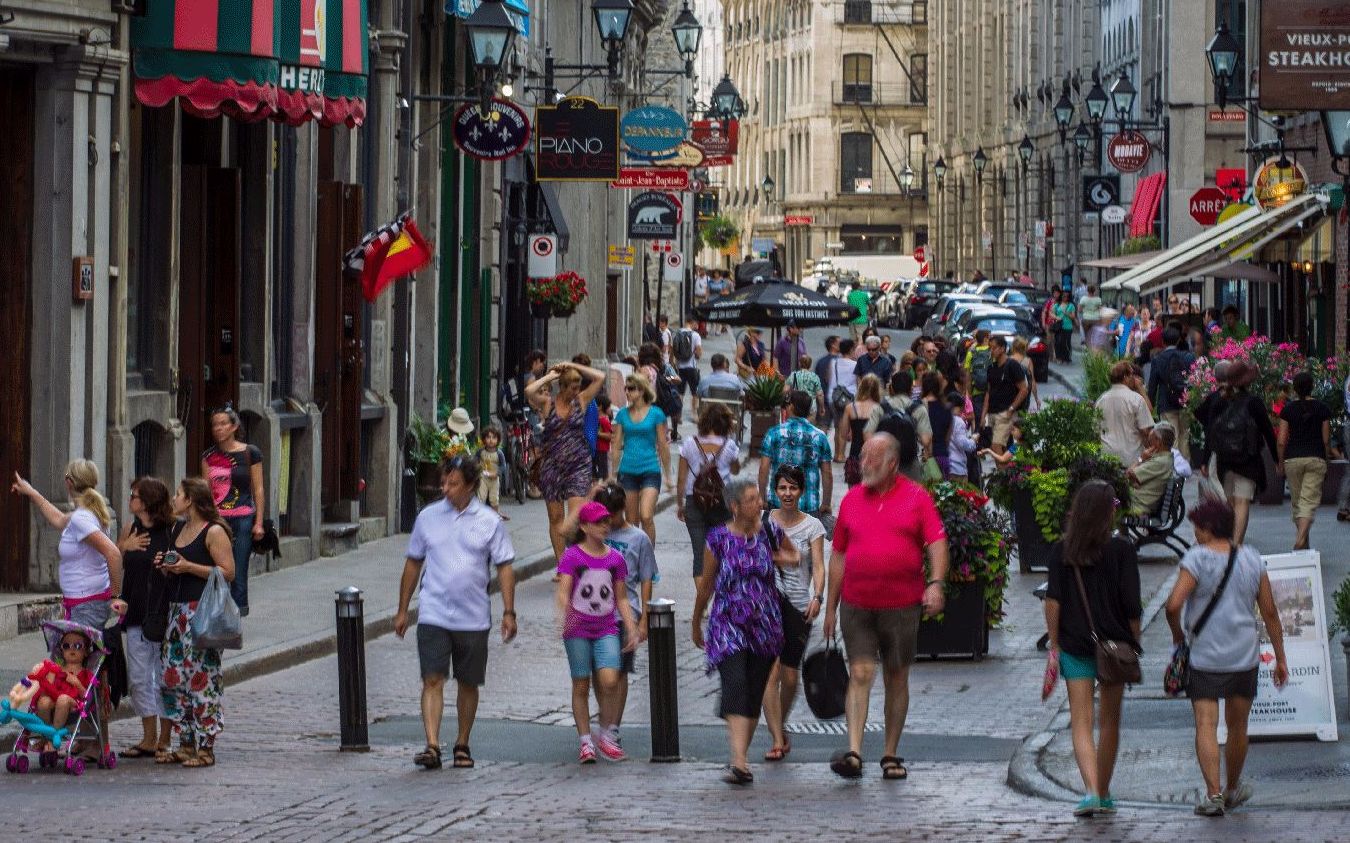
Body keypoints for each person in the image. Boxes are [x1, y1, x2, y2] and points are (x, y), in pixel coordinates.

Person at [823, 433, 948, 780]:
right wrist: (830, 607)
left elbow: (937, 542)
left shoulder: (917, 498)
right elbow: (838, 555)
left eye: (872, 460)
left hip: (902, 605)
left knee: (896, 676)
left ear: (892, 464)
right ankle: (854, 752)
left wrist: (936, 584)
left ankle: (890, 753)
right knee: (861, 672)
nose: (863, 465)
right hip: (857, 604)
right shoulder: (851, 500)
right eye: (862, 458)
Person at [1163, 499, 1289, 817]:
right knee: (1238, 726)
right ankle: (1232, 789)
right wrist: (1280, 657)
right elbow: (1270, 612)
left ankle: (1213, 794)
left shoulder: (1197, 559)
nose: (1194, 533)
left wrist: (1178, 635)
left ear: (1208, 528)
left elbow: (1173, 604)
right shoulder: (1251, 558)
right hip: (1244, 656)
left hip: (1205, 656)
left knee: (1206, 723)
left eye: (1197, 527)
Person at [395, 455, 517, 771]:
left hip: (473, 616)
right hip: (434, 611)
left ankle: (462, 743)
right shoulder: (428, 517)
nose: (446, 489)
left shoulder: (489, 521)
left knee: (467, 682)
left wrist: (509, 611)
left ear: (472, 485)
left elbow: (504, 566)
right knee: (432, 678)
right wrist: (403, 609)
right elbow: (413, 562)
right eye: (443, 483)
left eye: (453, 484)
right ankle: (433, 745)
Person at [1042, 480, 1141, 817]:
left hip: (1074, 642)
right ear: (1108, 513)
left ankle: (1090, 791)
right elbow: (1133, 606)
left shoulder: (1062, 551)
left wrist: (1054, 644)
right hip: (1114, 646)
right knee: (1110, 721)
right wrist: (1134, 642)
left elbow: (1053, 601)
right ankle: (1104, 789)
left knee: (1081, 720)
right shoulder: (1123, 550)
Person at [691, 479, 798, 785]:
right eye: (751, 500)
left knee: (752, 692)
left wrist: (775, 558)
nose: (759, 503)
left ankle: (740, 759)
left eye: (758, 498)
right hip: (728, 622)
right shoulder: (718, 539)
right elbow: (707, 585)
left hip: (765, 624)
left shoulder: (770, 532)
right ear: (735, 507)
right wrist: (697, 620)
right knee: (736, 681)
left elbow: (795, 557)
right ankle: (739, 761)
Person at [156, 477, 237, 768]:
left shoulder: (213, 531)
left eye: (178, 494)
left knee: (202, 678)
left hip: (202, 612)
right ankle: (185, 740)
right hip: (177, 613)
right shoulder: (178, 528)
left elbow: (228, 572)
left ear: (190, 499)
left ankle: (206, 746)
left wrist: (188, 566)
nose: (174, 499)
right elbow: (177, 564)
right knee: (172, 676)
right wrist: (167, 565)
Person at [556, 501, 640, 763]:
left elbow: (622, 598)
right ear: (584, 526)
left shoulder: (615, 558)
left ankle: (606, 734)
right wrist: (565, 615)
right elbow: (564, 591)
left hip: (606, 626)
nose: (605, 526)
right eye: (598, 522)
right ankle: (585, 741)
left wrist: (631, 627)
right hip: (578, 628)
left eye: (606, 521)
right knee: (580, 684)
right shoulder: (573, 556)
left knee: (610, 680)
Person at [761, 465, 826, 763]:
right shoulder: (764, 522)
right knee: (769, 673)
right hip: (767, 605)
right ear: (775, 491)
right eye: (782, 488)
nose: (787, 494)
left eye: (792, 488)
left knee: (789, 677)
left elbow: (819, 566)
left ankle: (780, 724)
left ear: (801, 491)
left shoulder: (812, 526)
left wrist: (818, 596)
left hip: (799, 606)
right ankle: (776, 737)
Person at [12, 460, 125, 629]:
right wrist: (31, 492)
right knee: (79, 654)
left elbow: (114, 554)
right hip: (84, 603)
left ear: (69, 483)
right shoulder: (86, 514)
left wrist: (115, 595)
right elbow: (58, 519)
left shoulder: (82, 518)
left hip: (86, 605)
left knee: (77, 654)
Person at [117, 476, 175, 759]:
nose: (130, 498)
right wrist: (124, 548)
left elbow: (181, 565)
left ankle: (165, 737)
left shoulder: (171, 531)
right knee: (139, 678)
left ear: (149, 501)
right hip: (135, 612)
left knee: (163, 677)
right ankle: (148, 736)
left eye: (134, 495)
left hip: (162, 614)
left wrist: (167, 566)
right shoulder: (130, 528)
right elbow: (117, 561)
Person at [528, 361, 608, 564]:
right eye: (572, 387)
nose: (576, 391)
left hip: (578, 464)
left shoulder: (581, 401)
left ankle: (577, 557)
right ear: (562, 387)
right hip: (552, 466)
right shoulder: (548, 403)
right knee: (555, 518)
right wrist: (550, 376)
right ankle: (562, 563)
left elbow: (600, 377)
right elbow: (529, 391)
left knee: (577, 516)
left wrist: (573, 365)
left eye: (578, 387)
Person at [595, 483, 657, 743]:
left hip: (624, 614)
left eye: (613, 514)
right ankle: (604, 717)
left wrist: (643, 618)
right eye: (603, 514)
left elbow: (646, 578)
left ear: (623, 509)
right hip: (595, 612)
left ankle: (613, 727)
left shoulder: (638, 539)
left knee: (619, 672)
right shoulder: (592, 533)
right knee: (599, 673)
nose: (608, 520)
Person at [1194, 360, 1277, 545]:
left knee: (1231, 503)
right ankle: (1236, 544)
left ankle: (1231, 539)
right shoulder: (1253, 402)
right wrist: (1278, 459)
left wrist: (1205, 460)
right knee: (1242, 503)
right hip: (1248, 460)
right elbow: (1268, 431)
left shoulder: (1218, 401)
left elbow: (1210, 433)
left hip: (1225, 461)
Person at [199, 406, 264, 616]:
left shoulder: (250, 453)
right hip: (217, 520)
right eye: (214, 424)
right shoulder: (208, 456)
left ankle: (238, 613)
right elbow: (205, 491)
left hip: (243, 517)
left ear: (234, 426)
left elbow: (259, 489)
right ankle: (219, 611)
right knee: (217, 567)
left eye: (223, 424)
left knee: (239, 566)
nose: (218, 428)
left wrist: (259, 522)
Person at [677, 403, 742, 578]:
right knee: (723, 550)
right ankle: (720, 594)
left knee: (699, 554)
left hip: (694, 500)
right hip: (722, 502)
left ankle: (702, 600)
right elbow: (736, 470)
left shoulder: (690, 443)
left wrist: (680, 504)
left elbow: (682, 478)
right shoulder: (729, 445)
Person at [611, 372, 671, 544]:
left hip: (650, 469)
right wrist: (613, 474)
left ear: (642, 390)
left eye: (631, 389)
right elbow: (616, 445)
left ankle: (648, 559)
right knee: (631, 521)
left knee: (646, 516)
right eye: (626, 389)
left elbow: (663, 445)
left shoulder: (656, 413)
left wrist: (668, 476)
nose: (627, 392)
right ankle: (633, 560)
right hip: (628, 470)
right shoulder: (622, 414)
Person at [1277, 371, 1332, 550]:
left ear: (1294, 388)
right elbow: (1325, 439)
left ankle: (1303, 542)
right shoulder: (1322, 408)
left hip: (1293, 459)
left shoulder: (1288, 410)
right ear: (1312, 386)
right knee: (1308, 501)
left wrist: (1280, 462)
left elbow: (1281, 440)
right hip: (1315, 457)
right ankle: (1301, 540)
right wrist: (1326, 458)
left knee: (1298, 503)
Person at [759, 391, 834, 517]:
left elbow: (763, 469)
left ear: (791, 407)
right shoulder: (820, 436)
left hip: (778, 504)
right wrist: (826, 503)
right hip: (808, 507)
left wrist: (762, 498)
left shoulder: (773, 433)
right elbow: (827, 473)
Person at [28, 629, 95, 750]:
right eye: (66, 645)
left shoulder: (86, 674)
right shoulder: (57, 670)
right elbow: (48, 689)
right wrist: (47, 677)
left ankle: (54, 739)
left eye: (78, 645)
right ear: (62, 651)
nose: (72, 649)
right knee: (44, 701)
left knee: (63, 699)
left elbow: (88, 697)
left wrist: (78, 684)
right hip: (55, 700)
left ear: (85, 652)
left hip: (74, 704)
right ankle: (46, 737)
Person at [1147, 325, 1197, 461]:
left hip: (1166, 403)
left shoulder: (1158, 360)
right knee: (1184, 436)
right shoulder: (1188, 357)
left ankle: (1174, 467)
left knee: (1170, 438)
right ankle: (1185, 467)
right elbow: (1195, 381)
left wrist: (1150, 405)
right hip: (1185, 401)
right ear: (1178, 340)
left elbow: (1152, 386)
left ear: (1163, 342)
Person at [1096, 360, 1154, 465]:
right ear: (1125, 377)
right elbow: (1146, 430)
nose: (1134, 379)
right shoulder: (1136, 399)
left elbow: (1096, 428)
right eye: (1132, 375)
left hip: (1107, 454)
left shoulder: (1101, 399)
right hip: (1131, 456)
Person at [982, 336, 1029, 456]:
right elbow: (988, 392)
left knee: (996, 446)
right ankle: (1008, 472)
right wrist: (983, 415)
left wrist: (1012, 408)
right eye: (990, 348)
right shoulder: (991, 367)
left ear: (1002, 348)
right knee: (999, 447)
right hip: (992, 412)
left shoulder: (1012, 365)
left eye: (994, 348)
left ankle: (1006, 473)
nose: (991, 351)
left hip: (1005, 413)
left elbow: (1024, 389)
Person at [842, 375, 885, 487]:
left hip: (855, 453)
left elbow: (843, 434)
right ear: (877, 389)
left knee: (854, 492)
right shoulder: (881, 408)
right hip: (874, 456)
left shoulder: (850, 408)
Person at [1126, 423, 1177, 515]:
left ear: (1158, 442)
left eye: (1150, 441)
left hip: (1136, 506)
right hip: (1136, 502)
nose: (1147, 445)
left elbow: (1128, 474)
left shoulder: (1159, 462)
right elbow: (1132, 478)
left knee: (1107, 501)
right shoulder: (1165, 459)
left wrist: (1141, 459)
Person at [831, 339, 860, 461]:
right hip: (850, 398)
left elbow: (832, 380)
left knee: (837, 427)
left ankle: (836, 454)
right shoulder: (855, 365)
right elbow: (857, 383)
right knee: (845, 428)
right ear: (851, 350)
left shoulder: (835, 363)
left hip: (836, 397)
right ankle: (842, 455)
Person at [475, 426, 507, 519]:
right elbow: (475, 461)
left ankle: (495, 515)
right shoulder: (481, 452)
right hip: (483, 477)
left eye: (494, 437)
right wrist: (477, 469)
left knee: (494, 498)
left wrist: (497, 473)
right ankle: (480, 515)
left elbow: (503, 466)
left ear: (498, 440)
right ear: (484, 439)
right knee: (481, 496)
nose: (491, 440)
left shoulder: (499, 453)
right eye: (488, 437)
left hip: (494, 479)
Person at [674, 316, 704, 417]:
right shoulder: (696, 335)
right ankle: (694, 414)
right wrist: (696, 353)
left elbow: (673, 350)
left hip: (680, 367)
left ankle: (678, 414)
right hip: (692, 367)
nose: (697, 325)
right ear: (692, 323)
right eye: (696, 323)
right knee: (695, 392)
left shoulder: (677, 333)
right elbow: (698, 353)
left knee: (680, 392)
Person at [946, 391, 978, 481]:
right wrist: (973, 440)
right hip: (957, 467)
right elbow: (963, 444)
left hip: (945, 465)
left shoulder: (942, 418)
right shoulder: (958, 421)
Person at [964, 329, 993, 427]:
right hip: (991, 391)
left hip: (977, 390)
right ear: (985, 339)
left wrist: (969, 393)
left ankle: (978, 437)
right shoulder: (992, 352)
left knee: (978, 419)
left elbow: (968, 377)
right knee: (991, 420)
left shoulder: (971, 353)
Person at [785, 354, 825, 423]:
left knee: (796, 426)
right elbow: (820, 394)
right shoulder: (814, 377)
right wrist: (822, 407)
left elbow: (785, 390)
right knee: (808, 427)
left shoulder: (793, 375)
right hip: (810, 405)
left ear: (799, 363)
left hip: (796, 404)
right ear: (810, 365)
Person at [814, 336, 841, 428]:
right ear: (833, 345)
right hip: (839, 399)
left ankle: (821, 442)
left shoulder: (820, 362)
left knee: (823, 426)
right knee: (839, 429)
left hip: (824, 399)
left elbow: (817, 383)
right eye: (839, 343)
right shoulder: (841, 362)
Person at [1011, 337, 1041, 412]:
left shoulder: (1008, 360)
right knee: (1021, 419)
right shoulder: (1028, 361)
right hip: (1024, 397)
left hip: (1010, 396)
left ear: (1013, 347)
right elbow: (1032, 381)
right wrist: (1036, 398)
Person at [1052, 291, 1077, 364]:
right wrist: (1056, 317)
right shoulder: (1057, 304)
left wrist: (1067, 314)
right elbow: (1051, 313)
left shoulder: (1071, 305)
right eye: (1063, 296)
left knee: (1066, 343)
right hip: (1059, 326)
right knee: (1058, 342)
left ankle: (1067, 357)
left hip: (1068, 326)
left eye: (1067, 296)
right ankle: (1059, 357)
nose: (1065, 298)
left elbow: (1073, 316)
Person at [593, 394, 614, 481]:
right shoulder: (595, 419)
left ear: (600, 407)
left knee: (603, 473)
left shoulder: (604, 420)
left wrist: (597, 433)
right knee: (595, 472)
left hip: (602, 450)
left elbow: (609, 436)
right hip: (595, 449)